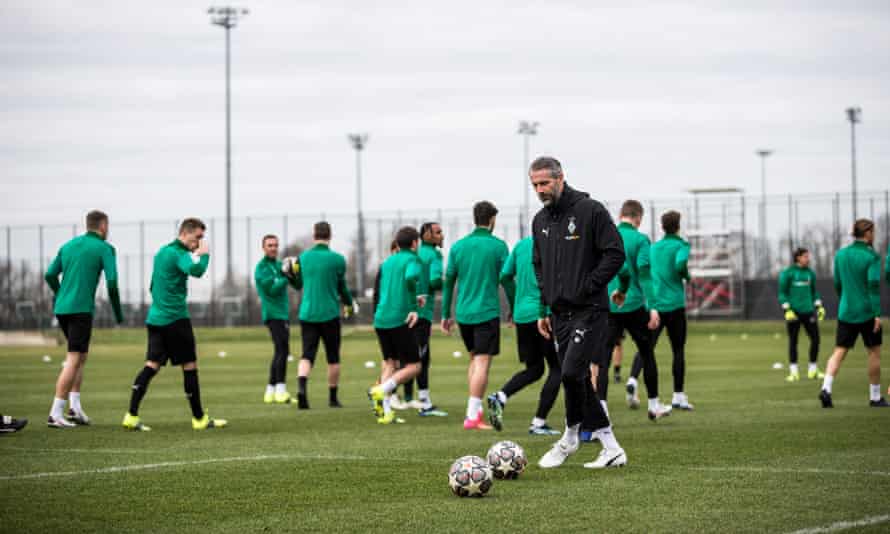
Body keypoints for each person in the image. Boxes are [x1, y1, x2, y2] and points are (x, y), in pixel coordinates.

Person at [530, 156, 628, 469]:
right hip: (559, 313)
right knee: (579, 379)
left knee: (571, 373)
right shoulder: (540, 221)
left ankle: (570, 437)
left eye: (544, 183)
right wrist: (545, 306)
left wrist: (589, 286)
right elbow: (539, 265)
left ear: (561, 179)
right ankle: (611, 447)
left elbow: (615, 253)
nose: (540, 190)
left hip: (591, 309)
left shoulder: (591, 211)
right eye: (535, 185)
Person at [122, 218, 227, 431]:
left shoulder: (162, 252)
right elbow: (197, 271)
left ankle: (131, 415)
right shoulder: (179, 254)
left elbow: (153, 285)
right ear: (185, 233)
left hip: (155, 318)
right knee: (189, 366)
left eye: (201, 239)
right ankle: (199, 419)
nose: (199, 242)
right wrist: (205, 254)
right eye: (197, 237)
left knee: (151, 365)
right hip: (176, 320)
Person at [44, 210, 123, 428]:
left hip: (62, 308)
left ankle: (75, 407)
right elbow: (113, 283)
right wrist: (118, 313)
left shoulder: (68, 245)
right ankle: (55, 412)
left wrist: (60, 294)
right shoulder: (106, 248)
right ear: (104, 226)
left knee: (80, 356)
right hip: (80, 310)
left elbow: (50, 275)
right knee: (73, 357)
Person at [599, 200, 671, 421]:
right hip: (634, 304)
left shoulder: (604, 236)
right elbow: (644, 275)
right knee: (647, 354)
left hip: (608, 305)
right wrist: (654, 307)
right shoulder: (640, 239)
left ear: (621, 215)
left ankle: (602, 411)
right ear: (638, 218)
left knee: (603, 359)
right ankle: (654, 405)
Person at [441, 201, 509, 430]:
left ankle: (475, 411)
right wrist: (514, 308)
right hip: (486, 311)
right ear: (492, 220)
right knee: (482, 363)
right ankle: (472, 416)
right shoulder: (498, 246)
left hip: (463, 314)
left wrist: (445, 314)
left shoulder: (458, 247)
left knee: (474, 360)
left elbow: (449, 281)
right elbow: (507, 279)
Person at [487, 235, 561, 436]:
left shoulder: (521, 245)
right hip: (544, 315)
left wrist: (514, 303)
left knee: (535, 369)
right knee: (558, 368)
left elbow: (504, 276)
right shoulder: (556, 242)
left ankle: (501, 396)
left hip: (522, 315)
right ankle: (538, 423)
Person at [628, 210, 694, 410]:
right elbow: (680, 264)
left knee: (646, 347)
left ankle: (632, 379)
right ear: (678, 225)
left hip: (654, 305)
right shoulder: (681, 245)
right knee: (678, 350)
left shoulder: (654, 247)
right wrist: (686, 276)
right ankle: (678, 396)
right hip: (674, 304)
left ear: (662, 226)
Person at [819, 219, 886, 408]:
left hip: (846, 310)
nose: (874, 235)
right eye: (873, 232)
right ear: (866, 234)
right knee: (873, 352)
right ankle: (875, 397)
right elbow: (873, 286)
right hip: (866, 312)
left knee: (839, 351)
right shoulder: (871, 256)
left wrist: (845, 300)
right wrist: (877, 313)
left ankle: (826, 388)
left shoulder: (841, 255)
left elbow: (838, 284)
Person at [292, 222, 357, 409]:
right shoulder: (337, 259)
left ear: (314, 236)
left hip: (308, 313)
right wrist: (349, 304)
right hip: (329, 313)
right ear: (330, 236)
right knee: (333, 357)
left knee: (307, 355)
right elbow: (342, 287)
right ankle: (332, 398)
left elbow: (297, 285)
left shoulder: (303, 257)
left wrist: (290, 276)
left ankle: (302, 388)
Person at [368, 227, 427, 424]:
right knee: (414, 366)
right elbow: (410, 277)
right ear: (414, 243)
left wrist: (411, 298)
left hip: (381, 318)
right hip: (399, 319)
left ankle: (384, 412)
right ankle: (381, 390)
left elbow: (392, 289)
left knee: (390, 362)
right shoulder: (413, 259)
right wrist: (412, 307)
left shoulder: (387, 262)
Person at [255, 234, 300, 404]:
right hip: (272, 314)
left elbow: (297, 285)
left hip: (283, 314)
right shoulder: (261, 268)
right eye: (270, 245)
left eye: (275, 245)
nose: (273, 248)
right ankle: (281, 389)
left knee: (280, 351)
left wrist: (295, 272)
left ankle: (270, 391)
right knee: (282, 350)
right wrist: (285, 276)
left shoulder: (280, 265)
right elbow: (272, 290)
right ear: (264, 248)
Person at [411, 222, 448, 416]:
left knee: (406, 356)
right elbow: (434, 281)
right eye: (438, 232)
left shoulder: (414, 253)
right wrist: (446, 280)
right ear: (426, 234)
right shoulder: (434, 255)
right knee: (421, 358)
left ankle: (399, 396)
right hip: (422, 313)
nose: (442, 235)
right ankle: (424, 403)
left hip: (405, 310)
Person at [778, 247, 826, 382]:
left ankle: (813, 370)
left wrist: (819, 306)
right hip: (793, 313)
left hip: (808, 311)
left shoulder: (810, 273)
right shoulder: (788, 273)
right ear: (798, 257)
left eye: (808, 256)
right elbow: (782, 293)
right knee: (793, 341)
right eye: (805, 256)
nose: (808, 258)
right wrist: (787, 309)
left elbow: (814, 292)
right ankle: (794, 372)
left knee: (816, 339)